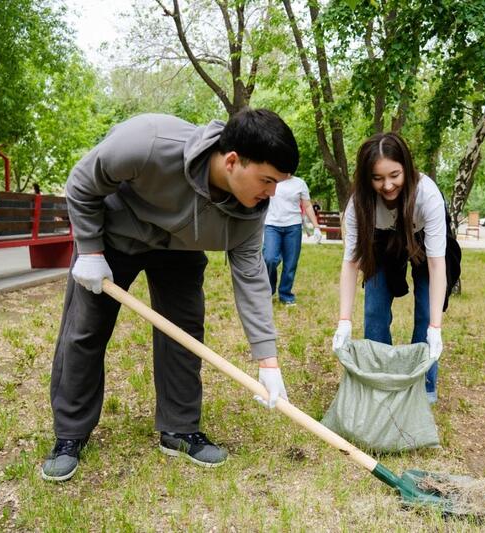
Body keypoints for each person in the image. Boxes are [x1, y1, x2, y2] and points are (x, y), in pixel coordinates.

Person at [41, 109, 299, 482]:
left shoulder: (252, 210)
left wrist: (268, 361)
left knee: (184, 335)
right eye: (267, 180)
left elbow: (251, 277)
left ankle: (179, 430)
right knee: (85, 330)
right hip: (113, 238)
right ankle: (70, 435)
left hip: (179, 250)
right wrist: (90, 250)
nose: (272, 193)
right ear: (231, 161)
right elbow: (82, 182)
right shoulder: (148, 142)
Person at [331, 132, 447, 404]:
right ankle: (379, 379)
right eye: (377, 178)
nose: (387, 185)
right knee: (374, 308)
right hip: (380, 241)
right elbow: (350, 263)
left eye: (394, 175)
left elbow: (436, 263)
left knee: (425, 310)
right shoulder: (359, 202)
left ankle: (424, 383)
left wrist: (436, 327)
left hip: (421, 239)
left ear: (406, 167)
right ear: (366, 177)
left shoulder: (427, 195)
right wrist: (344, 322)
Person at [263, 175, 323, 305]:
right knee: (269, 259)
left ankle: (285, 294)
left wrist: (316, 227)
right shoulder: (271, 179)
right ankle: (268, 291)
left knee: (290, 264)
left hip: (293, 227)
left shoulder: (300, 183)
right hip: (272, 225)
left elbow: (307, 206)